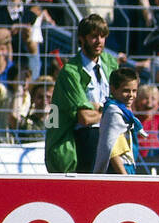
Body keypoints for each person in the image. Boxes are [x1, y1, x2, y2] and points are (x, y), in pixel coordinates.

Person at [45, 15, 120, 173]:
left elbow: (122, 104)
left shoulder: (110, 63)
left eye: (102, 36)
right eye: (93, 36)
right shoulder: (70, 71)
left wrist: (98, 108)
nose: (99, 41)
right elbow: (85, 118)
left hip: (112, 134)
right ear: (82, 38)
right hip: (86, 139)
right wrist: (110, 110)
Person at [94, 67, 146, 174]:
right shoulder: (114, 112)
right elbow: (112, 148)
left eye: (134, 91)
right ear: (113, 89)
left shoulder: (123, 110)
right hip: (118, 169)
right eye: (126, 91)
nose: (131, 95)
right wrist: (124, 176)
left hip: (126, 165)